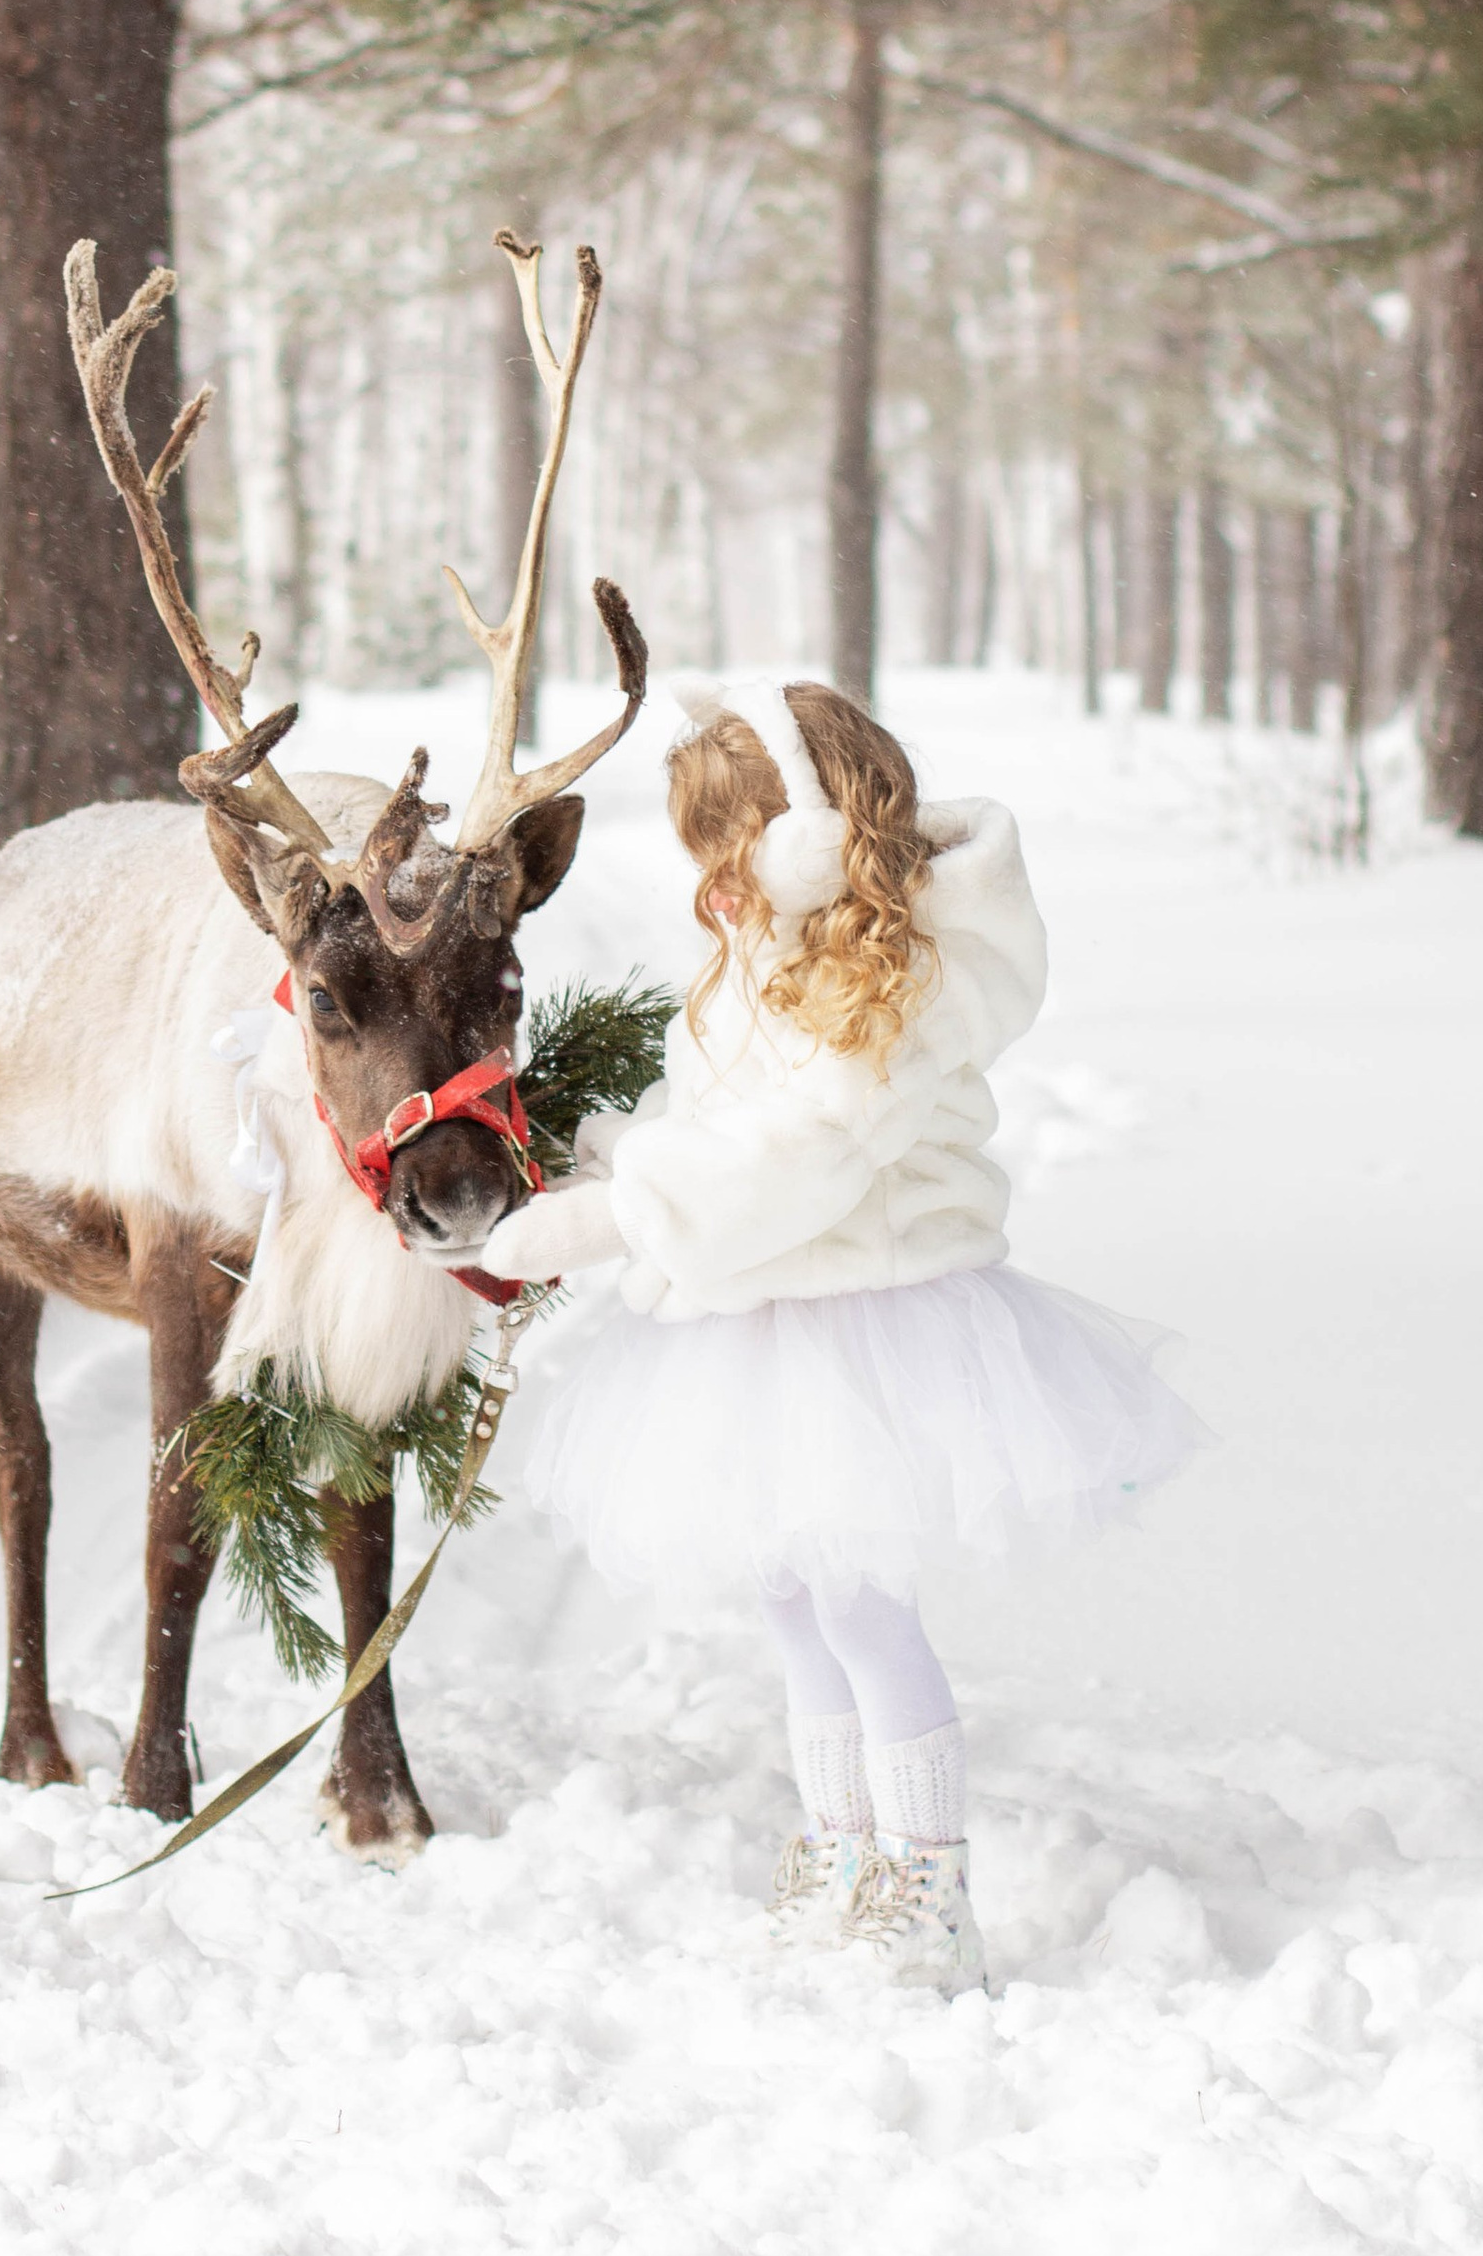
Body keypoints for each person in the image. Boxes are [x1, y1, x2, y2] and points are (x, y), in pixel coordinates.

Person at [484, 677, 1202, 1994]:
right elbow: (716, 1125)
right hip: (766, 1317)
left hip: (869, 1329)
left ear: (816, 835)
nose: (716, 887)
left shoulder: (903, 978)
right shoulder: (767, 951)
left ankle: (929, 1883)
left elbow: (800, 1154)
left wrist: (615, 1223)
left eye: (732, 850)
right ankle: (841, 1848)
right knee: (790, 1597)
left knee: (864, 1606)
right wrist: (612, 1162)